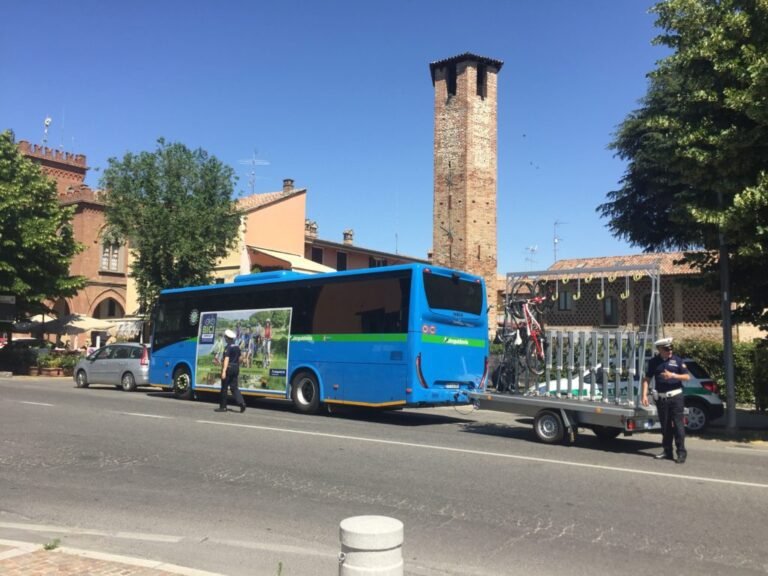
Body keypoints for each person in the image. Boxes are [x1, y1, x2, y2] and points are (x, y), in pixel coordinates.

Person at [641, 337, 690, 464]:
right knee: (665, 426)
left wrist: (673, 375)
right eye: (666, 349)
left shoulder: (677, 360)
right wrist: (644, 395)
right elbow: (647, 379)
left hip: (676, 397)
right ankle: (667, 451)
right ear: (659, 349)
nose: (670, 351)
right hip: (662, 398)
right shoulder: (653, 362)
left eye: (671, 349)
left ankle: (681, 453)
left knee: (678, 425)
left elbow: (687, 377)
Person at [215, 329, 246, 413]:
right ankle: (241, 403)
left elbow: (226, 359)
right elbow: (240, 358)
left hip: (229, 368)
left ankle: (223, 407)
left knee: (224, 388)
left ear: (227, 338)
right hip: (236, 368)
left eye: (225, 337)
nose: (225, 339)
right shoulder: (237, 347)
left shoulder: (228, 347)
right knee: (234, 387)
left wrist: (224, 371)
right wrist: (236, 364)